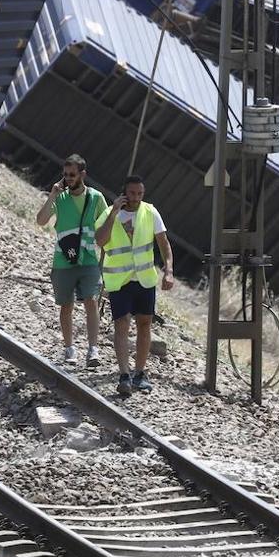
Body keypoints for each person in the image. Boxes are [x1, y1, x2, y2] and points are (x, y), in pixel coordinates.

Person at [95, 174, 174, 395]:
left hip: (144, 278)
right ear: (123, 193)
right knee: (121, 325)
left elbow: (164, 244)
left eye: (140, 193)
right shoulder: (109, 214)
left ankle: (139, 373)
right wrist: (113, 214)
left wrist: (169, 270)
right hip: (119, 280)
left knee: (145, 324)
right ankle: (124, 375)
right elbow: (100, 241)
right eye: (132, 193)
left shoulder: (150, 212)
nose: (136, 197)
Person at [35, 155, 108, 367]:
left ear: (82, 175)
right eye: (65, 175)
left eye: (72, 175)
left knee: (91, 302)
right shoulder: (60, 197)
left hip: (88, 261)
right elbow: (41, 221)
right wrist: (52, 196)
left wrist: (105, 259)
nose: (68, 179)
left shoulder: (96, 198)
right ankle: (69, 349)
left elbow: (106, 227)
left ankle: (93, 349)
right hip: (63, 262)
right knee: (65, 306)